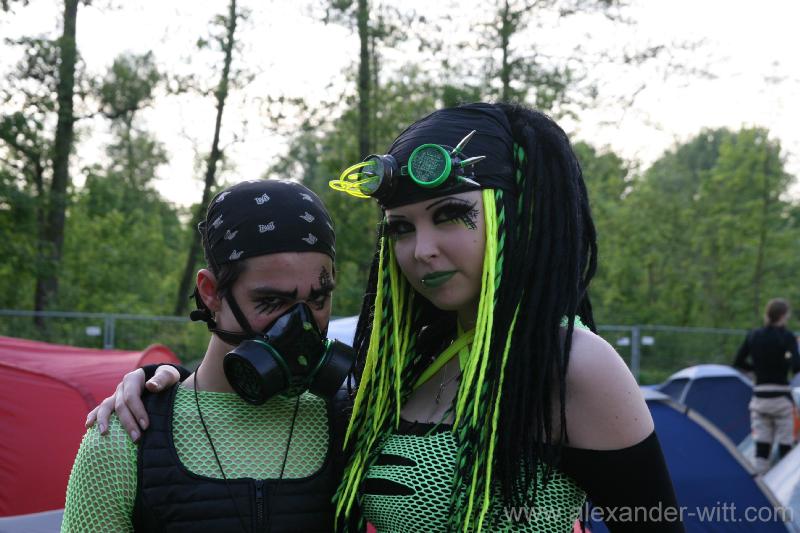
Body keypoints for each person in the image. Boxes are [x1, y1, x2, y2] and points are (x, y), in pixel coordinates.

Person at [92, 103, 682, 532]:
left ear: (514, 218)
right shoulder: (404, 368)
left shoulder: (570, 363)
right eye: (401, 228)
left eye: (450, 215)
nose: (421, 250)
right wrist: (162, 385)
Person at [63, 179, 356, 532]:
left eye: (318, 299)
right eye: (271, 301)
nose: (301, 324)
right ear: (210, 292)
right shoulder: (125, 437)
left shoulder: (353, 423)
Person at [734, 298, 800, 474]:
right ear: (783, 315)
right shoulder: (787, 337)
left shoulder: (753, 335)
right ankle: (782, 483)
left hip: (760, 399)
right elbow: (796, 367)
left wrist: (757, 369)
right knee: (786, 445)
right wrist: (785, 363)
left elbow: (738, 361)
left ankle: (760, 484)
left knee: (761, 448)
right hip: (781, 399)